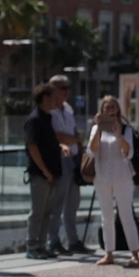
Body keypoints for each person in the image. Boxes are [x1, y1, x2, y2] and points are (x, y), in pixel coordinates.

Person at [89, 94, 139, 267]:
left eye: (113, 106)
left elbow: (129, 152)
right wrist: (98, 128)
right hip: (102, 176)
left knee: (126, 214)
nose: (110, 109)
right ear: (102, 110)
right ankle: (109, 253)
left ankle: (134, 253)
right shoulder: (96, 128)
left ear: (118, 109)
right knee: (107, 217)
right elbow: (92, 150)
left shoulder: (126, 129)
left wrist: (119, 135)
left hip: (122, 176)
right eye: (107, 107)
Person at [24, 83, 65, 260]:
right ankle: (32, 245)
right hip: (40, 174)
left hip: (52, 173)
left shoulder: (47, 119)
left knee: (47, 212)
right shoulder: (34, 120)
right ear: (44, 99)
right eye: (51, 98)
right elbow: (32, 146)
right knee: (37, 211)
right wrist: (45, 170)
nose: (55, 101)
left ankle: (41, 245)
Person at [46, 74, 84, 255]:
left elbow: (72, 131)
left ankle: (73, 240)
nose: (66, 91)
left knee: (73, 203)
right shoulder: (50, 111)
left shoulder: (68, 109)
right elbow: (58, 136)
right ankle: (53, 240)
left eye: (68, 87)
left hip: (74, 158)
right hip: (60, 159)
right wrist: (75, 139)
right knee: (57, 203)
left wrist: (78, 143)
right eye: (62, 88)